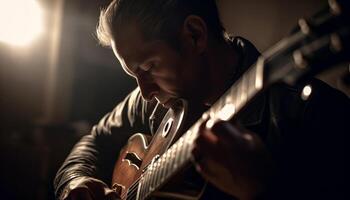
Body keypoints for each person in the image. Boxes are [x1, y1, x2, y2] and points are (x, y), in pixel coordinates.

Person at [54, 0, 348, 199]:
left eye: (149, 68)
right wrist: (76, 182)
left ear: (195, 35)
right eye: (134, 75)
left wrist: (264, 189)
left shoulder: (314, 113)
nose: (143, 92)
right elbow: (93, 141)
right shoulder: (156, 97)